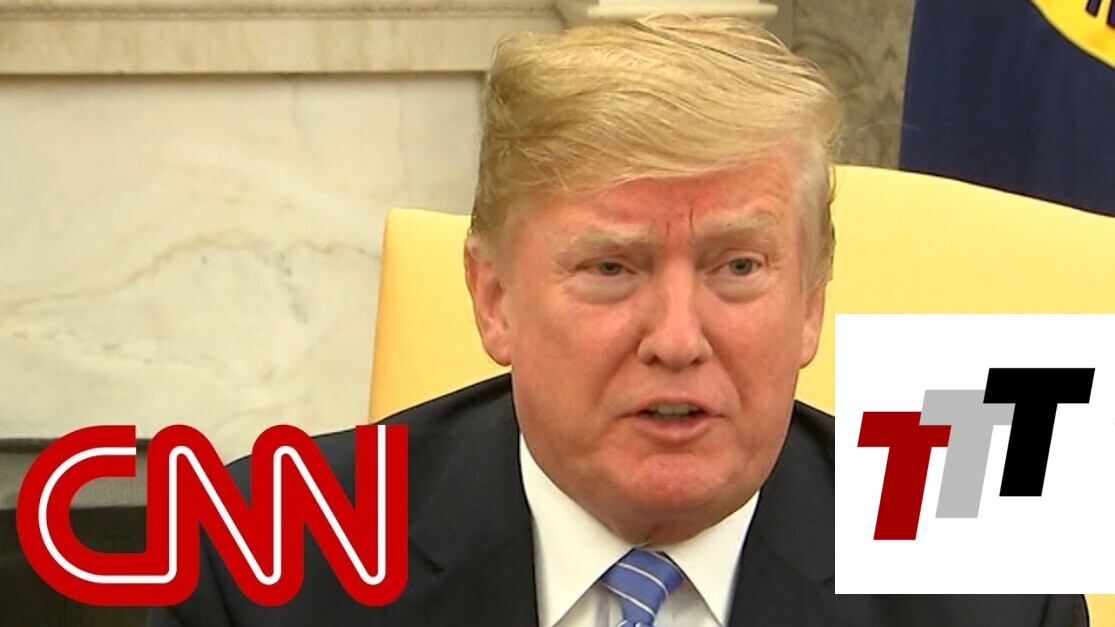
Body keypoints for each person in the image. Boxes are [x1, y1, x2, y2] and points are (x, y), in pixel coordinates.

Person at [149, 14, 1088, 627]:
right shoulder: (263, 558)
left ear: (810, 303)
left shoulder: (992, 588)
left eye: (737, 267)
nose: (676, 338)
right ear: (493, 298)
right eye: (610, 267)